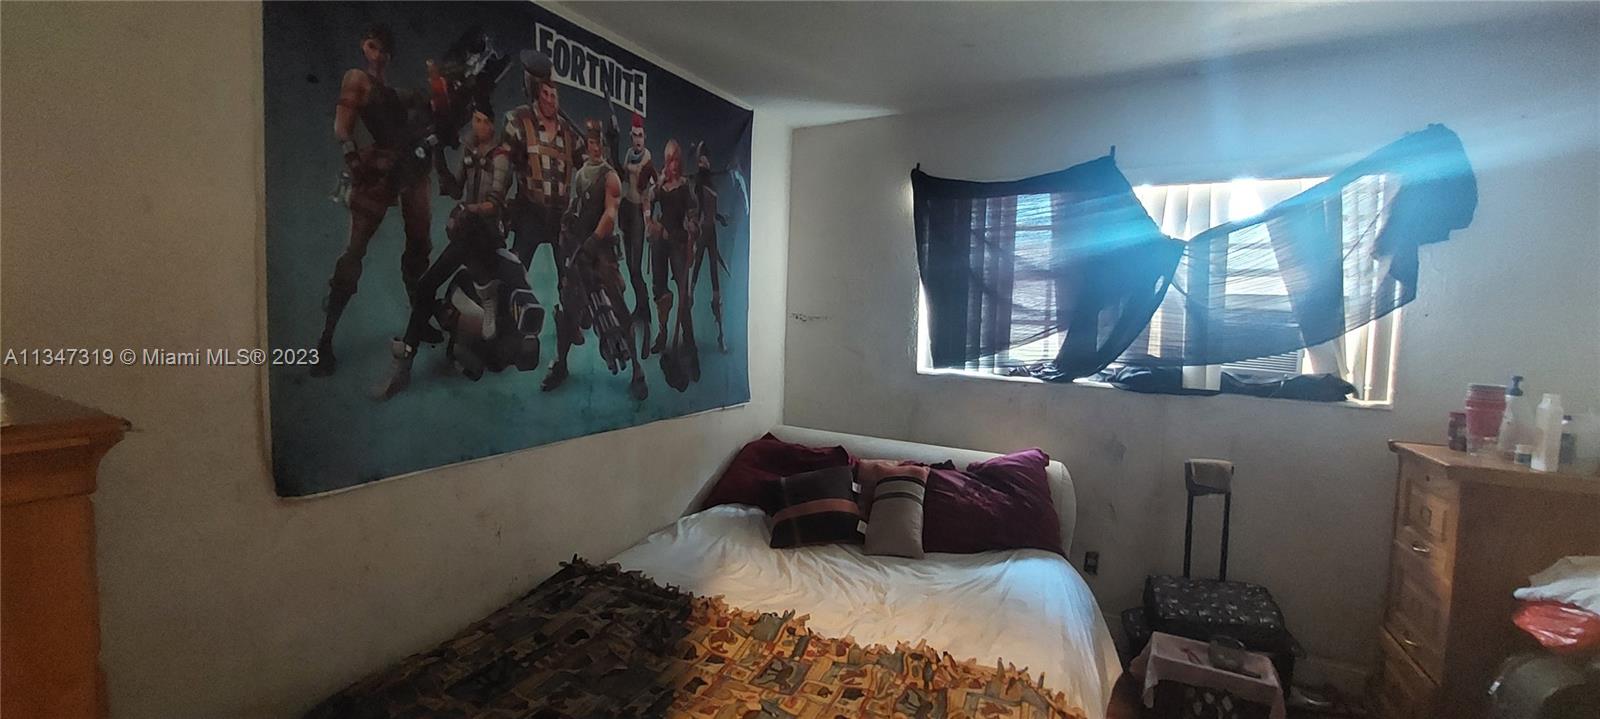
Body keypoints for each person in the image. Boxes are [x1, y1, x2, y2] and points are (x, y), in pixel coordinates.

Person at [373, 99, 542, 400]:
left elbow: (494, 204)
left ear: (492, 124)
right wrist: (437, 158)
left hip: (488, 235)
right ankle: (406, 358)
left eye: (483, 120)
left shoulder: (500, 157)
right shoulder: (469, 151)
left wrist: (468, 209)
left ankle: (488, 300)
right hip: (466, 234)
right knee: (426, 285)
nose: (478, 126)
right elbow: (454, 188)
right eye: (475, 120)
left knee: (482, 261)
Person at [312, 23, 436, 377]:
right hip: (378, 168)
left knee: (419, 246)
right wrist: (354, 162)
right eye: (372, 46)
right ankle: (326, 339)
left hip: (409, 166)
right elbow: (342, 127)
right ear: (364, 47)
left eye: (383, 49)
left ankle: (418, 321)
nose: (377, 54)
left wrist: (440, 89)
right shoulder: (358, 79)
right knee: (354, 251)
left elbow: (429, 110)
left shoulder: (398, 93)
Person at [541, 119, 648, 401]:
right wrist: (569, 224)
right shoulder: (581, 174)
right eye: (591, 143)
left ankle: (637, 371)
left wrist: (593, 241)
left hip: (601, 252)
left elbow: (610, 214)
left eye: (599, 143)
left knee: (618, 309)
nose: (596, 148)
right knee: (568, 310)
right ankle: (561, 364)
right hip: (580, 249)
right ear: (587, 145)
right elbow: (577, 205)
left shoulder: (610, 177)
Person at [503, 50, 581, 286]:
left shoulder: (568, 131)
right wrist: (497, 203)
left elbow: (589, 165)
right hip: (530, 211)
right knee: (514, 274)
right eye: (545, 93)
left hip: (561, 216)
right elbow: (503, 165)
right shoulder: (518, 120)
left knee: (571, 281)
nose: (550, 99)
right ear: (536, 93)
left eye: (553, 94)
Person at [645, 139, 698, 366]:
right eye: (669, 160)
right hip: (661, 241)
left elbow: (692, 212)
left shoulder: (685, 186)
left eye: (676, 160)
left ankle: (688, 339)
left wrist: (692, 225)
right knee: (660, 290)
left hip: (678, 241)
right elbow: (647, 202)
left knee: (683, 291)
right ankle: (663, 333)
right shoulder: (660, 185)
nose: (673, 165)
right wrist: (649, 222)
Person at [619, 114, 656, 350]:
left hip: (638, 214)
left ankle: (646, 310)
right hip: (627, 209)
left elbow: (647, 190)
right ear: (631, 136)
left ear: (644, 137)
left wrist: (648, 219)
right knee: (630, 266)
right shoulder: (629, 154)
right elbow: (625, 172)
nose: (638, 140)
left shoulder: (647, 157)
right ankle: (640, 307)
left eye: (640, 135)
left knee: (635, 267)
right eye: (635, 136)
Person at [691, 144, 731, 353]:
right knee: (693, 278)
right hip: (702, 234)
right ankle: (687, 333)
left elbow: (711, 212)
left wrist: (720, 218)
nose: (704, 163)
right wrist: (694, 229)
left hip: (711, 233)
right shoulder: (699, 184)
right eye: (701, 160)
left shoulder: (709, 184)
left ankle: (721, 334)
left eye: (705, 159)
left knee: (715, 283)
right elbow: (698, 210)